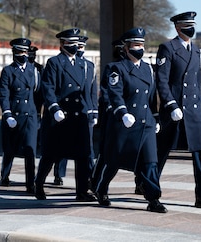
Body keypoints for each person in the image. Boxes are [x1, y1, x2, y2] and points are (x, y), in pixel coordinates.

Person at [93, 27, 167, 213]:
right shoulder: (116, 69)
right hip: (125, 123)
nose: (139, 48)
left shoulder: (147, 69)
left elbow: (152, 97)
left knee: (150, 162)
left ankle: (153, 199)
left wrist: (156, 118)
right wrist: (122, 113)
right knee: (113, 161)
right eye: (135, 45)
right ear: (126, 48)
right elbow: (114, 93)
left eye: (141, 44)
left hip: (146, 123)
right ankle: (100, 188)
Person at [155, 11, 201, 210]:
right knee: (161, 152)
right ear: (177, 27)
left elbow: (197, 81)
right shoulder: (167, 48)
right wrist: (171, 105)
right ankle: (148, 186)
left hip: (192, 110)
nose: (190, 28)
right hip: (174, 109)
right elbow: (162, 80)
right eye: (186, 25)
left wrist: (199, 101)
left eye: (192, 24)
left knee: (200, 152)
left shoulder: (197, 50)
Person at [34, 28, 96, 202]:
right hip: (60, 116)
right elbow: (48, 88)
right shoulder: (54, 62)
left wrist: (90, 111)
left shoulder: (83, 64)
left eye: (76, 43)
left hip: (79, 115)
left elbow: (86, 90)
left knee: (83, 155)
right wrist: (54, 108)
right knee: (51, 154)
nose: (74, 47)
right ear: (62, 44)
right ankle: (39, 184)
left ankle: (82, 191)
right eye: (70, 43)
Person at [53, 35, 99, 187]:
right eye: (77, 46)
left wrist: (93, 111)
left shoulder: (88, 66)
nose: (79, 50)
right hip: (67, 110)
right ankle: (59, 173)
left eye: (81, 47)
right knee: (62, 146)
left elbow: (92, 90)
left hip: (84, 110)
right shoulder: (61, 63)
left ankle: (89, 177)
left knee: (87, 149)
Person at [0, 38, 40, 194]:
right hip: (14, 116)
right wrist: (7, 114)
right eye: (19, 51)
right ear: (14, 52)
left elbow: (37, 93)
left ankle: (31, 183)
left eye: (24, 51)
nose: (22, 54)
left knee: (30, 151)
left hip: (29, 115)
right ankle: (5, 175)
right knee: (10, 150)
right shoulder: (8, 71)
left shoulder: (33, 70)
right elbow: (4, 94)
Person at [90, 39, 125, 193]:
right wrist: (113, 108)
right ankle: (95, 181)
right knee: (106, 153)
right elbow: (106, 92)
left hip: (128, 116)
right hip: (112, 116)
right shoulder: (113, 67)